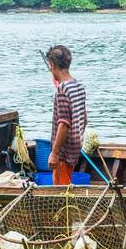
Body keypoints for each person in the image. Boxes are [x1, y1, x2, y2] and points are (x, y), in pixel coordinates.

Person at [44, 45, 87, 185]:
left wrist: (55, 153)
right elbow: (84, 118)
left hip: (64, 151)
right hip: (75, 146)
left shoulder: (62, 89)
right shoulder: (78, 85)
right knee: (66, 181)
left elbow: (64, 124)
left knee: (61, 189)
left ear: (52, 65)